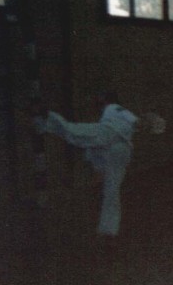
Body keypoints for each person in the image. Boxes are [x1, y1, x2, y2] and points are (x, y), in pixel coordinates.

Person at [34, 91, 138, 242]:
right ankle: (108, 230)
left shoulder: (115, 108)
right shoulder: (113, 113)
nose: (98, 106)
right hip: (121, 150)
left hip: (108, 135)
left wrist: (144, 122)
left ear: (108, 101)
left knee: (74, 132)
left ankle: (46, 118)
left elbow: (135, 120)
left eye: (100, 102)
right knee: (112, 190)